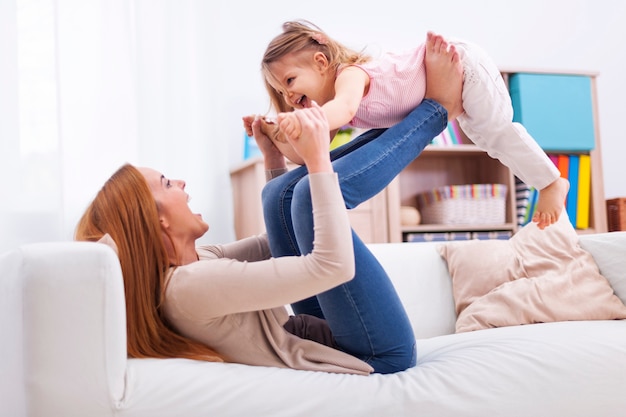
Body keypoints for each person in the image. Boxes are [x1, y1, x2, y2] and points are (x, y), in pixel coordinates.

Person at [75, 49, 461, 375]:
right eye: (166, 184)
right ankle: (437, 109)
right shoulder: (187, 288)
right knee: (309, 197)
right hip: (378, 355)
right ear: (156, 220)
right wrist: (317, 160)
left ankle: (414, 112)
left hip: (330, 333)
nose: (180, 183)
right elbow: (332, 267)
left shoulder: (191, 267)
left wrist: (274, 158)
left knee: (281, 197)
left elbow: (280, 240)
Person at [251, 19, 569, 231]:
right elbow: (305, 157)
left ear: (321, 63)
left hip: (461, 62)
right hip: (449, 85)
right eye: (281, 92)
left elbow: (343, 107)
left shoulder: (349, 76)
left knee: (497, 130)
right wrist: (273, 139)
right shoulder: (332, 111)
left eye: (290, 81)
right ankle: (545, 180)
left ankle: (550, 182)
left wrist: (301, 120)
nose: (289, 96)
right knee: (486, 139)